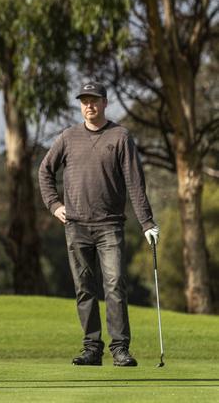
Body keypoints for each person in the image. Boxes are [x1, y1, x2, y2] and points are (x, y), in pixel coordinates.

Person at [38, 82, 160, 367]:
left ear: (105, 103)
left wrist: (147, 223)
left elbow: (135, 184)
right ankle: (92, 348)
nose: (89, 105)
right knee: (84, 288)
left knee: (115, 284)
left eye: (94, 100)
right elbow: (45, 172)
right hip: (76, 225)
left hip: (110, 225)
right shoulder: (68, 137)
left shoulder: (120, 136)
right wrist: (54, 205)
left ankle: (120, 348)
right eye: (84, 101)